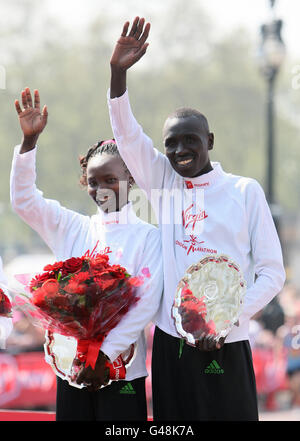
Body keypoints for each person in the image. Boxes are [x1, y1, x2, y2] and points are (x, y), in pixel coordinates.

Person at [107, 17, 286, 421]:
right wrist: (118, 74)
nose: (180, 150)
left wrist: (225, 321)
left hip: (226, 341)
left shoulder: (244, 191)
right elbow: (127, 135)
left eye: (191, 139)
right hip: (172, 345)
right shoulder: (163, 185)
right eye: (171, 143)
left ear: (210, 141)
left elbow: (273, 273)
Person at [10, 87, 163, 421]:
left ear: (131, 178)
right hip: (72, 371)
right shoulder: (72, 228)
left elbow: (146, 305)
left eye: (111, 179)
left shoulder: (149, 238)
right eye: (93, 182)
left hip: (123, 372)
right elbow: (24, 202)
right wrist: (28, 145)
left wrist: (103, 356)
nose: (102, 189)